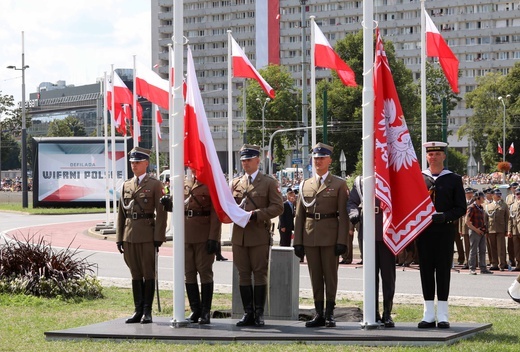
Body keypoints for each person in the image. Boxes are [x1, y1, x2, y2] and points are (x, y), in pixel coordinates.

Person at [293, 142, 349, 328]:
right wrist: (298, 242)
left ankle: (330, 313)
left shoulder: (339, 184)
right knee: (315, 276)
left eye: (322, 158)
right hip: (310, 237)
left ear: (329, 161)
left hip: (330, 237)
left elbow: (344, 216)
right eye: (315, 158)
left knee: (330, 276)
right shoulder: (305, 184)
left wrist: (342, 241)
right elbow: (300, 216)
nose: (318, 161)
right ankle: (318, 313)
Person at [231, 144, 284, 327]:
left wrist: (256, 214)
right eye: (243, 160)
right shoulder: (236, 183)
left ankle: (259, 313)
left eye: (249, 160)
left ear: (257, 160)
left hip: (258, 234)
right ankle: (248, 313)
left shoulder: (268, 182)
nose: (245, 163)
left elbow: (278, 207)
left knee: (260, 274)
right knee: (243, 274)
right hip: (239, 236)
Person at [161, 169, 222, 324]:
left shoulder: (210, 185)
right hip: (185, 235)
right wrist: (168, 205)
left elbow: (216, 213)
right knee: (188, 272)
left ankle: (205, 311)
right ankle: (195, 309)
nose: (192, 169)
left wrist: (213, 238)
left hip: (203, 235)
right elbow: (178, 207)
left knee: (205, 272)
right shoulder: (185, 184)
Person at [116, 147, 167, 324]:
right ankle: (138, 310)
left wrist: (159, 236)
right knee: (135, 273)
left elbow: (161, 213)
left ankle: (147, 311)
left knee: (148, 273)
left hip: (147, 234)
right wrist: (119, 237)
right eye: (132, 162)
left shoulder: (155, 185)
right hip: (129, 235)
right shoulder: (126, 185)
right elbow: (121, 213)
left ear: (146, 163)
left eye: (137, 162)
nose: (134, 165)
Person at [417, 142, 466, 329]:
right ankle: (428, 314)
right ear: (427, 157)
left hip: (445, 231)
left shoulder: (453, 179)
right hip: (424, 232)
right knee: (426, 271)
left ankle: (443, 314)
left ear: (444, 156)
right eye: (431, 154)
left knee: (443, 272)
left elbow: (461, 207)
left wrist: (446, 216)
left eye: (438, 154)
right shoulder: (420, 178)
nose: (434, 157)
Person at [347, 175, 396, 327]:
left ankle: (387, 313)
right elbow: (352, 202)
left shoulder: (391, 177)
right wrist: (354, 213)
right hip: (367, 231)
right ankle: (372, 311)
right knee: (370, 276)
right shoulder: (361, 180)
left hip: (387, 231)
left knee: (388, 276)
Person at [465, 191, 493, 275]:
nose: (484, 198)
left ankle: (483, 268)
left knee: (482, 250)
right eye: (482, 197)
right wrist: (476, 230)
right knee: (473, 250)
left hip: (481, 232)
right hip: (474, 232)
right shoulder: (471, 207)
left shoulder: (481, 207)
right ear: (477, 198)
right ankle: (472, 268)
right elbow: (467, 221)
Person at [484, 189, 509, 271]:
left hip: (501, 229)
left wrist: (507, 230)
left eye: (499, 194)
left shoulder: (504, 205)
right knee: (492, 247)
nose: (498, 196)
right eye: (497, 194)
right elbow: (486, 219)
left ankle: (502, 264)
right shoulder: (488, 206)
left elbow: (507, 219)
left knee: (501, 248)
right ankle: (494, 264)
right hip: (491, 229)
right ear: (492, 195)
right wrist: (486, 230)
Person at [458, 187, 475, 269]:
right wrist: (460, 229)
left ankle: (474, 262)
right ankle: (468, 262)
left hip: (473, 226)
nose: (469, 195)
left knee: (474, 246)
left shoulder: (475, 202)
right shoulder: (463, 203)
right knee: (467, 246)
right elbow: (461, 217)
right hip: (464, 227)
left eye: (470, 193)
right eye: (467, 193)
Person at [506, 182, 518, 267]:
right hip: (512, 224)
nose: (514, 189)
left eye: (516, 188)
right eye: (513, 188)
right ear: (511, 189)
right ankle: (511, 261)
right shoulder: (508, 198)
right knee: (510, 246)